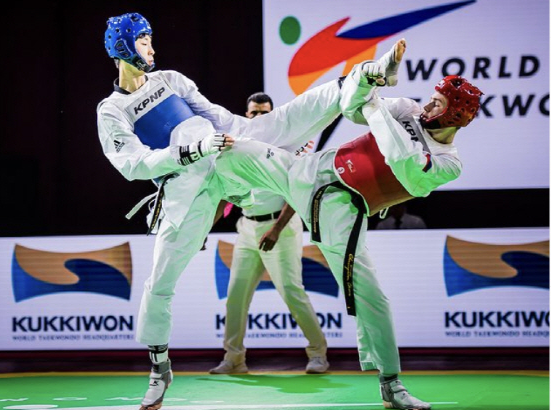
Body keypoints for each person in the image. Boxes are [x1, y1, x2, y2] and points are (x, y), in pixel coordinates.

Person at [97, 11, 401, 410]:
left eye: (150, 39)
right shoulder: (111, 111)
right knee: (159, 282)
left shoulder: (170, 80)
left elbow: (216, 116)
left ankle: (365, 77)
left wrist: (259, 133)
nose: (151, 47)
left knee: (289, 119)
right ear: (121, 47)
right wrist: (192, 151)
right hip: (186, 196)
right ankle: (159, 368)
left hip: (224, 156)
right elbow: (133, 164)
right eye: (142, 41)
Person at [215, 40, 483, 410]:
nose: (428, 104)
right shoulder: (408, 108)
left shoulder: (448, 163)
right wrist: (372, 78)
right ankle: (177, 194)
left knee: (372, 296)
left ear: (457, 116)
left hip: (342, 211)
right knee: (230, 149)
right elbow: (352, 105)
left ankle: (391, 384)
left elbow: (401, 157)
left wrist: (374, 106)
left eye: (439, 103)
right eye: (433, 97)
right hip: (308, 172)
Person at [209, 92, 328, 375]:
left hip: (281, 227)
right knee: (236, 294)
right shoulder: (238, 146)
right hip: (247, 227)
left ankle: (318, 354)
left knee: (291, 291)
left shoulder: (291, 146)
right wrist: (203, 228)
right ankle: (234, 358)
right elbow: (226, 193)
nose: (259, 118)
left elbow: (297, 192)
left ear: (274, 115)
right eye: (254, 113)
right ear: (246, 116)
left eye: (265, 113)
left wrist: (276, 230)